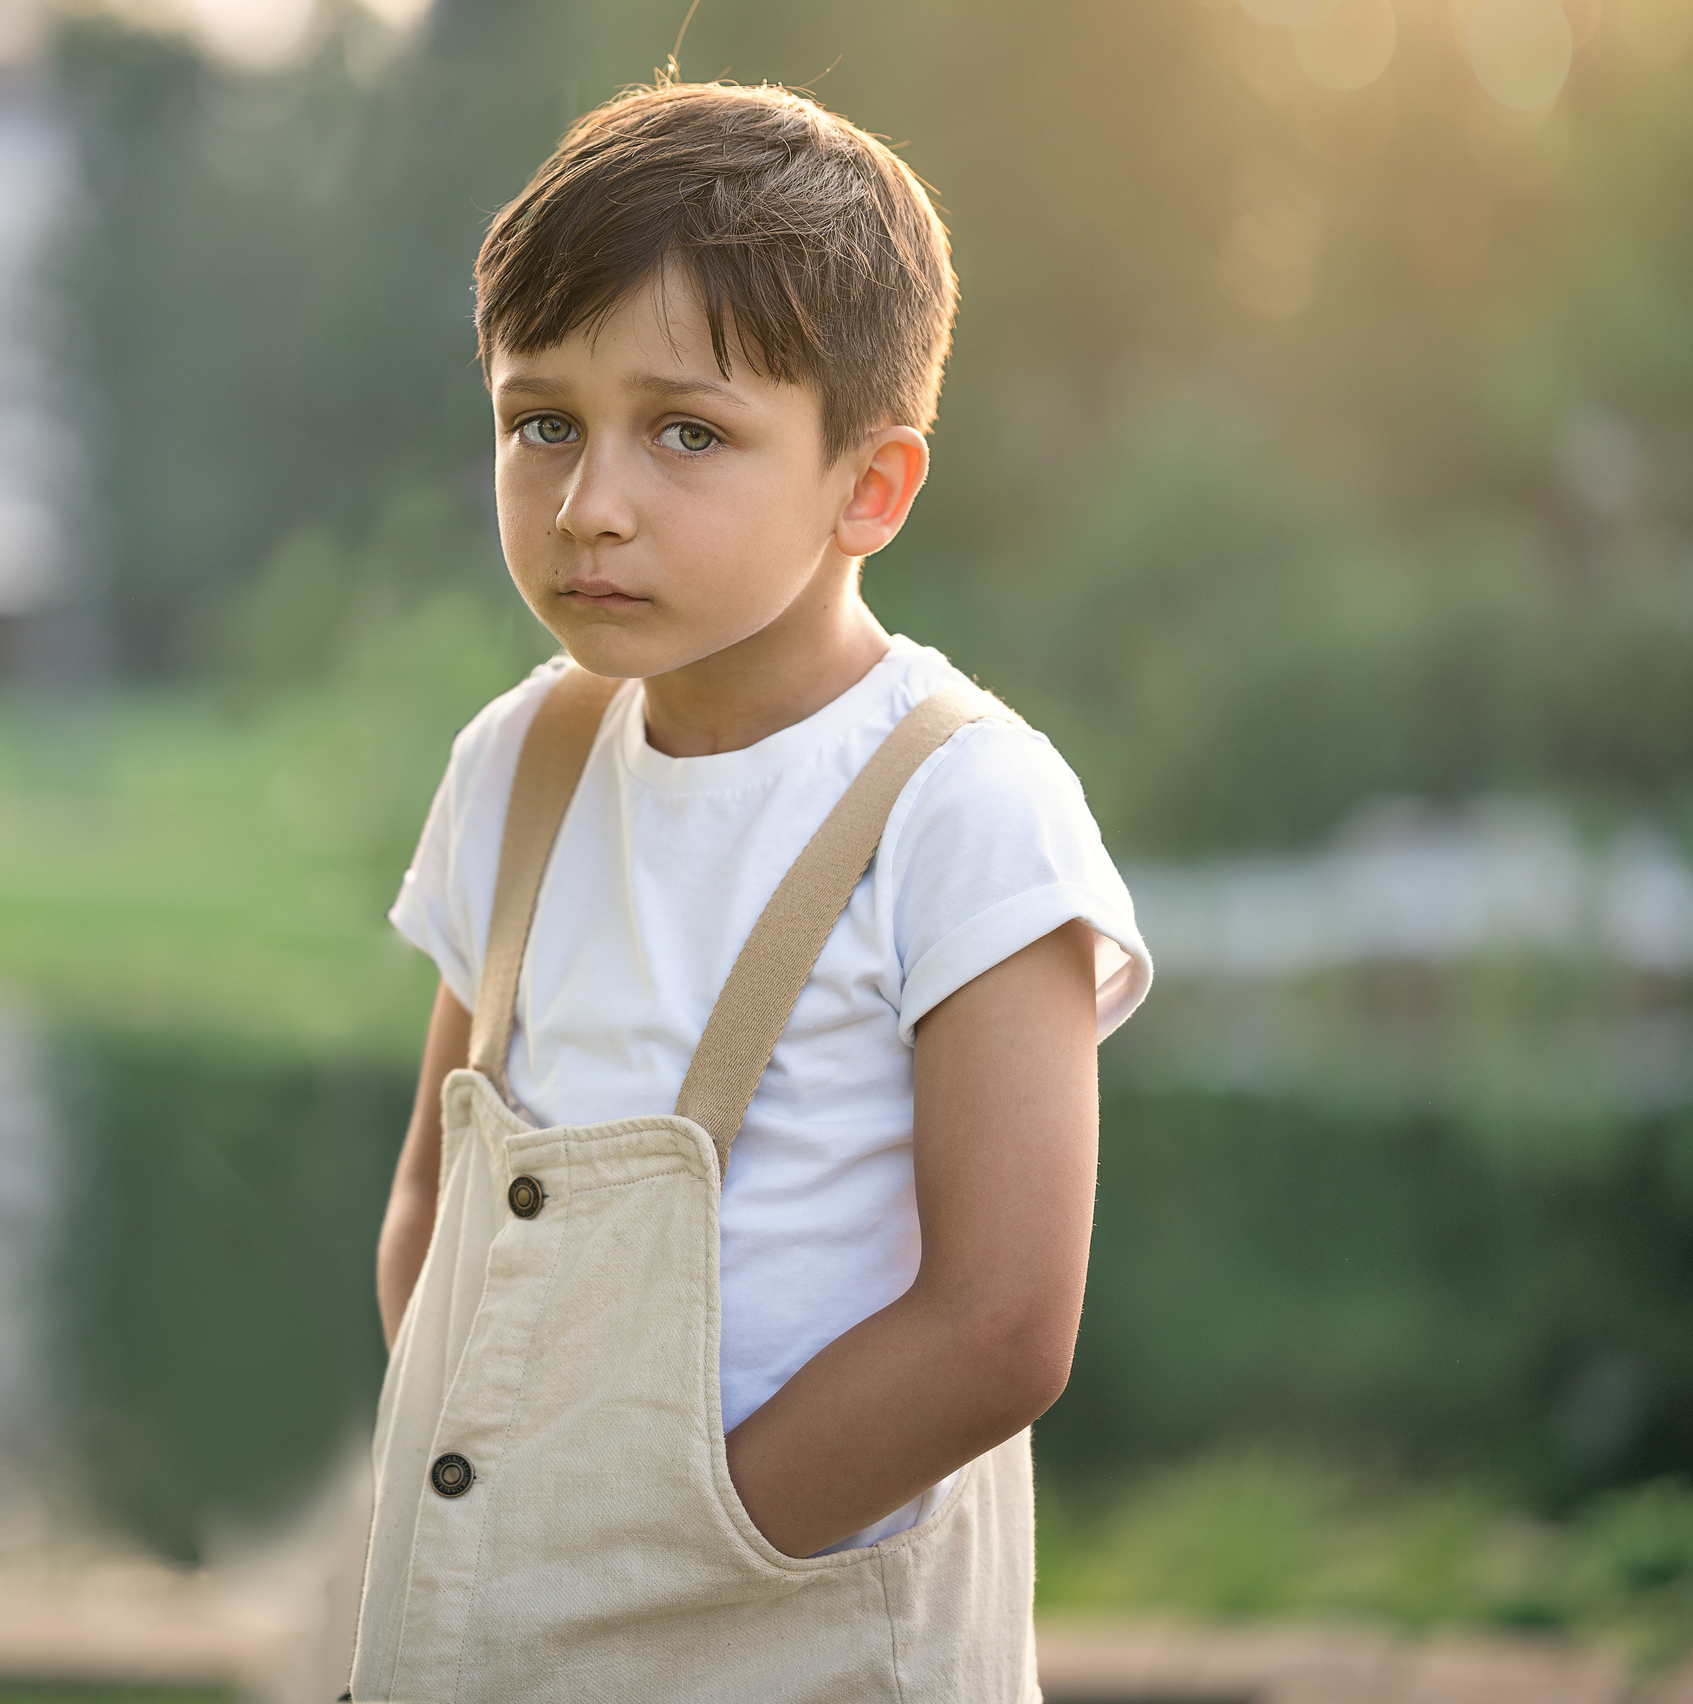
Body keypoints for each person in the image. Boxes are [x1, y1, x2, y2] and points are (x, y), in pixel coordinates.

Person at [353, 80, 1153, 1702]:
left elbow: (1002, 1324)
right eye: (542, 420)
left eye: (689, 432)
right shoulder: (521, 762)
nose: (592, 503)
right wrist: (506, 1529)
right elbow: (437, 1191)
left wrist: (665, 1557)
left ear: (869, 486)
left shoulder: (967, 808)